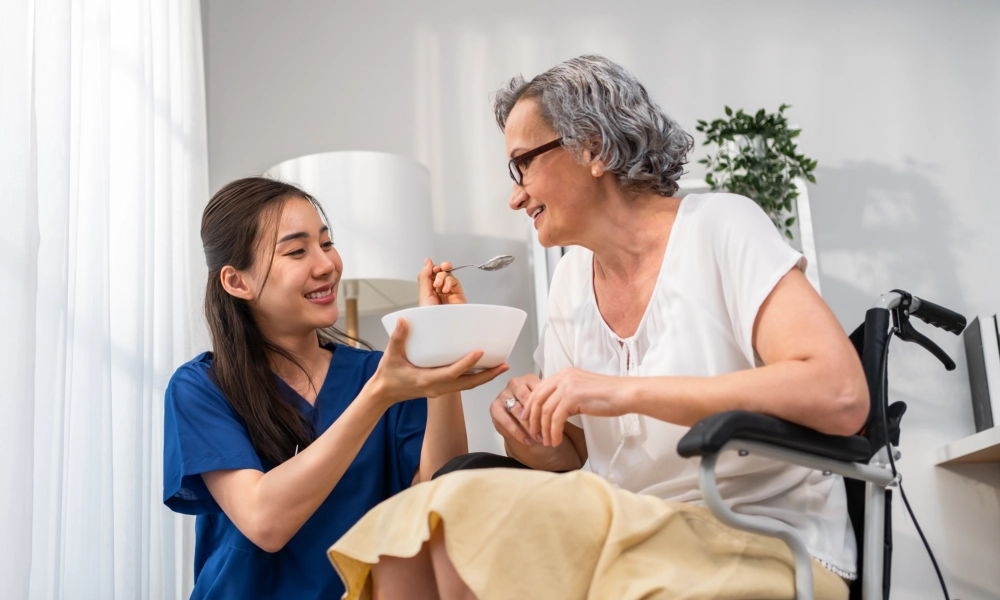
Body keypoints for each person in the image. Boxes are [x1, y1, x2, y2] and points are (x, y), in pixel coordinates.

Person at [327, 55, 869, 600]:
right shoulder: (569, 282)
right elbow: (575, 459)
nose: (514, 195)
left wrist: (620, 391)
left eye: (523, 165)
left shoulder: (721, 227)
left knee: (454, 515)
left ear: (594, 147)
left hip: (757, 538)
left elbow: (839, 393)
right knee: (407, 537)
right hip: (627, 535)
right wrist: (534, 432)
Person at [161, 177, 507, 599]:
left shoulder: (377, 373)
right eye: (296, 251)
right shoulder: (202, 388)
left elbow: (437, 498)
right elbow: (264, 521)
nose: (326, 264)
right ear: (237, 282)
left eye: (326, 243)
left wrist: (439, 350)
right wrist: (378, 395)